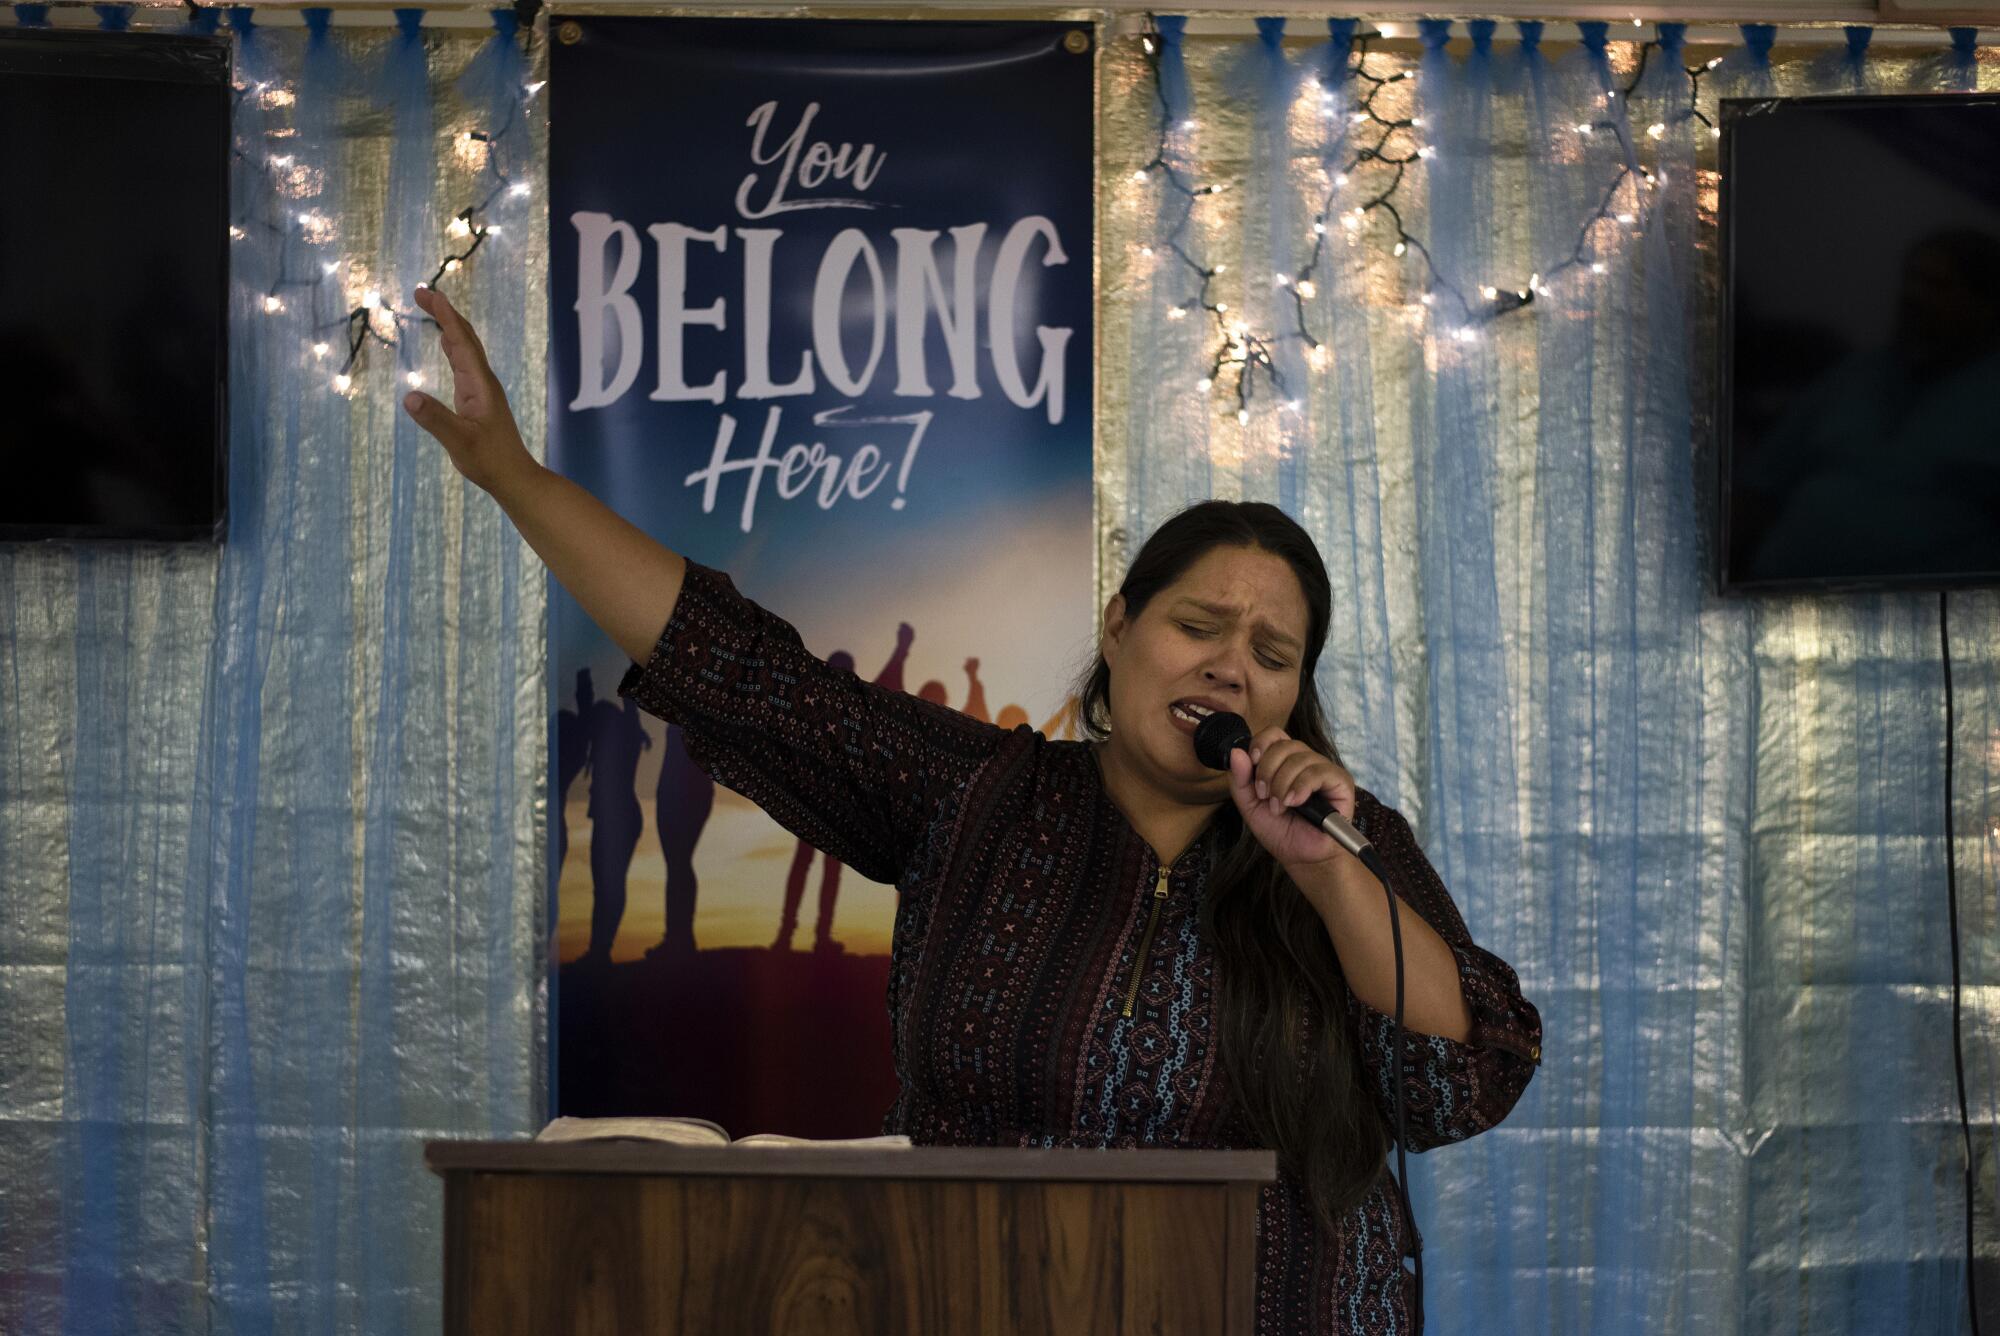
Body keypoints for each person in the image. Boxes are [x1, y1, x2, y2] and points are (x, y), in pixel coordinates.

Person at [403, 284, 1541, 1332]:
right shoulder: (983, 794)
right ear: (1119, 630)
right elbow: (737, 667)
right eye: (1198, 625)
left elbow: (1457, 1079)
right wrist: (514, 474)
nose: (1230, 666)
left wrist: (1325, 868)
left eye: (1272, 651)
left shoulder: (1348, 844)